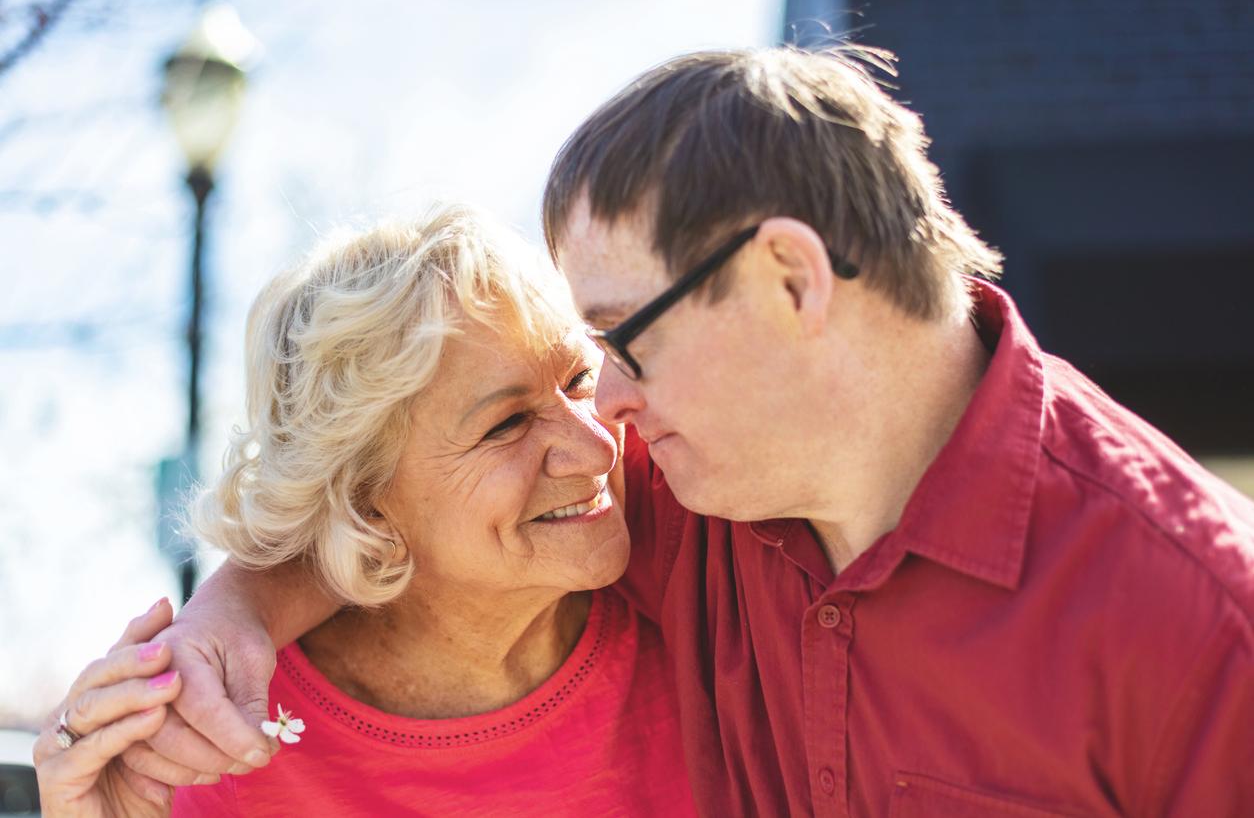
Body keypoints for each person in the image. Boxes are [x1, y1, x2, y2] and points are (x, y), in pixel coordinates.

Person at [134, 47, 1252, 816]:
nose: (603, 412)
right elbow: (391, 506)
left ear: (789, 280)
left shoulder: (1202, 627)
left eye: (620, 340)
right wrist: (230, 610)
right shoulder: (683, 494)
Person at [33, 206, 696, 817]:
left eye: (579, 379)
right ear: (364, 505)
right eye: (508, 423)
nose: (596, 443)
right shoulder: (213, 743)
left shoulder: (700, 579)